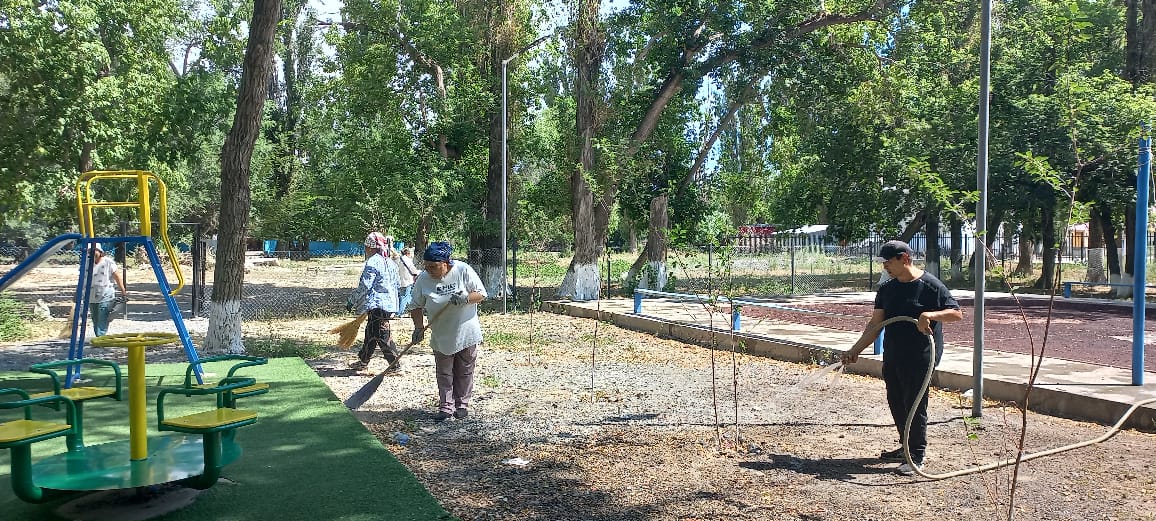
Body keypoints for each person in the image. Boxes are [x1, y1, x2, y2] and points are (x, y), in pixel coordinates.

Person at [841, 240, 962, 476]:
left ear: (904, 259)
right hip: (894, 352)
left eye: (888, 261)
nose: (885, 266)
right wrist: (855, 349)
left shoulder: (931, 286)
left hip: (922, 355)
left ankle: (916, 455)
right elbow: (875, 324)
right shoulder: (888, 289)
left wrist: (929, 315)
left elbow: (956, 313)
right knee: (896, 400)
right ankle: (905, 446)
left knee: (915, 402)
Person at [408, 241, 487, 421]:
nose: (429, 270)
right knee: (444, 372)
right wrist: (419, 328)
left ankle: (462, 405)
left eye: (434, 267)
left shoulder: (462, 270)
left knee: (465, 370)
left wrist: (466, 298)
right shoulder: (423, 279)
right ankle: (446, 407)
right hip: (441, 334)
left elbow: (481, 294)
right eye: (426, 266)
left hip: (466, 333)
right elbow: (415, 306)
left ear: (446, 263)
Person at [348, 232, 402, 372]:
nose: (365, 249)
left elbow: (365, 285)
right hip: (390, 304)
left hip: (378, 304)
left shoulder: (372, 262)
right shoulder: (391, 262)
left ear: (371, 248)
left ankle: (395, 365)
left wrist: (352, 300)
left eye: (366, 247)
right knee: (371, 332)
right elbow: (397, 285)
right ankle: (363, 361)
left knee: (382, 334)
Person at [87, 243, 126, 337]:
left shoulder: (108, 262)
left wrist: (123, 291)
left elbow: (117, 277)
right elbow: (82, 278)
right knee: (95, 317)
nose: (92, 253)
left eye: (94, 251)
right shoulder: (87, 263)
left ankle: (101, 337)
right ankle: (98, 336)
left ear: (100, 252)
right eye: (89, 251)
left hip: (105, 294)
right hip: (91, 295)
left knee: (102, 316)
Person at [396, 246, 419, 313]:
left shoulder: (398, 259)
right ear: (407, 253)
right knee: (404, 297)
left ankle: (413, 309)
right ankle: (399, 313)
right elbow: (412, 269)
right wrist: (417, 273)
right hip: (407, 281)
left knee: (407, 296)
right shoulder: (407, 260)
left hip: (401, 281)